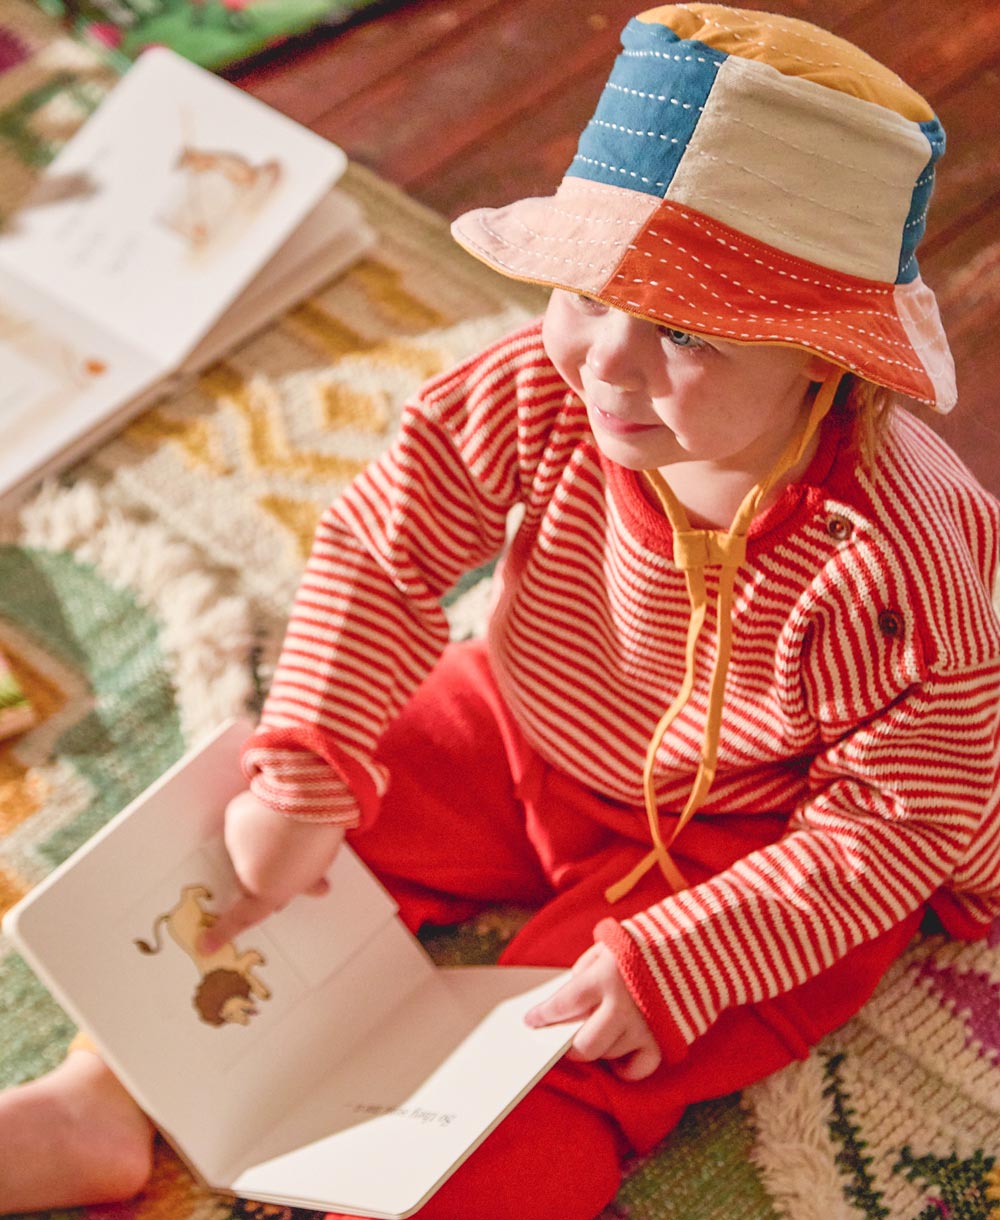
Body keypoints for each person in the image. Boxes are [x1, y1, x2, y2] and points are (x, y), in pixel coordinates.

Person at [3, 5, 999, 1217]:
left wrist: (676, 961)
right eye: (584, 293)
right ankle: (100, 1096)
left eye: (683, 331)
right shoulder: (542, 380)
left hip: (743, 835)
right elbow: (382, 543)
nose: (609, 364)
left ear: (822, 358)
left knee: (554, 1056)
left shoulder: (899, 559)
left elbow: (893, 824)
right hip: (521, 720)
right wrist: (310, 763)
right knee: (226, 853)